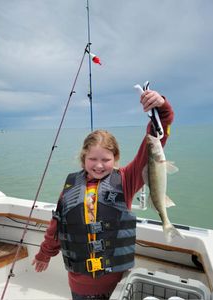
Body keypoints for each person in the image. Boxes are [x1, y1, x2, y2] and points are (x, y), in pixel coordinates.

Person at [32, 89, 174, 300]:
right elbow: (58, 224)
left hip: (115, 281)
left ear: (115, 158)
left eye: (106, 160)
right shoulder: (71, 185)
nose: (99, 165)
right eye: (92, 159)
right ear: (83, 158)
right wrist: (45, 253)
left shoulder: (127, 179)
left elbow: (154, 142)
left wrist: (162, 109)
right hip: (79, 281)